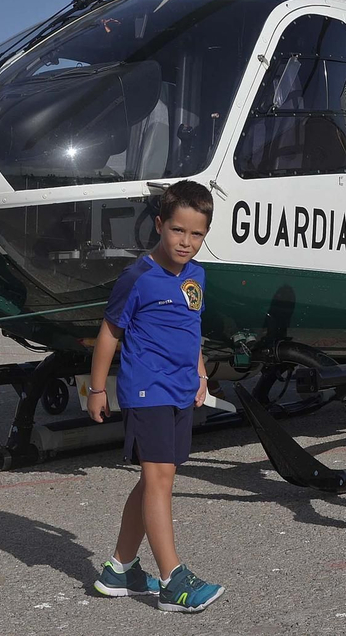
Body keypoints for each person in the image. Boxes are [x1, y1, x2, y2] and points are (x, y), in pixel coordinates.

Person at [87, 181, 223, 613]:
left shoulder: (197, 275)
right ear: (160, 225)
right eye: (178, 230)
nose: (186, 242)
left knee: (153, 479)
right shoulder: (138, 278)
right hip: (147, 390)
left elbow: (191, 328)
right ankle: (172, 581)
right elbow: (110, 332)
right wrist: (97, 388)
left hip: (180, 389)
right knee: (160, 479)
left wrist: (200, 373)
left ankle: (119, 570)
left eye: (197, 234)